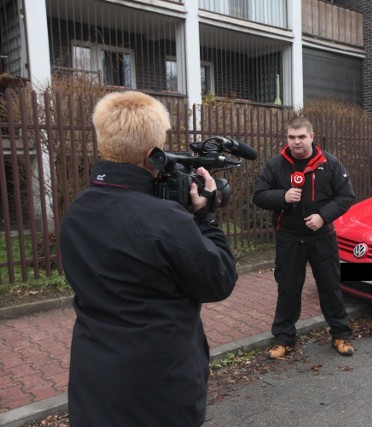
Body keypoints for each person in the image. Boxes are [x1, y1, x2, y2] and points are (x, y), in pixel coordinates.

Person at [59, 91, 238, 427]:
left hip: (94, 379)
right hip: (159, 386)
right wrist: (205, 217)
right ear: (154, 155)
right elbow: (220, 280)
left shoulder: (77, 211)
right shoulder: (165, 220)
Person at [252, 115, 356, 359]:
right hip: (289, 237)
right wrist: (282, 197)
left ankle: (341, 334)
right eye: (291, 137)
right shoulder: (276, 165)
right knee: (288, 288)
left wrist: (323, 216)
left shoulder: (329, 163)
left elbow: (346, 196)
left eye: (300, 137)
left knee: (330, 286)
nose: (296, 142)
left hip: (322, 236)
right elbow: (259, 195)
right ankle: (284, 339)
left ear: (311, 136)